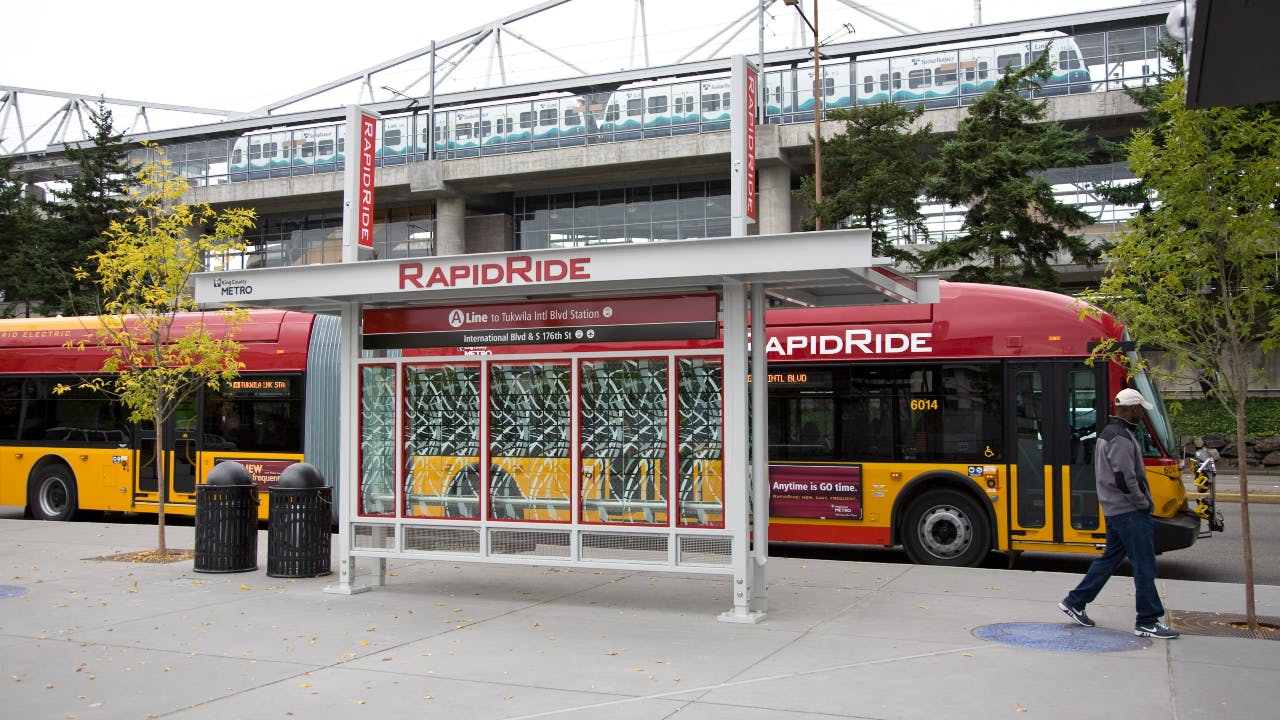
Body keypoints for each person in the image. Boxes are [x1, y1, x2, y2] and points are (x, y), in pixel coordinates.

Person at [1058, 387, 1179, 639]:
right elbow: (1125, 477)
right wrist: (1142, 502)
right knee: (1144, 564)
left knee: (1110, 558)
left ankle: (1075, 601)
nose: (1142, 414)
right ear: (1132, 409)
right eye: (1141, 410)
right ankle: (1147, 620)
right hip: (1128, 511)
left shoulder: (1109, 432)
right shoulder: (1121, 437)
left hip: (1115, 509)